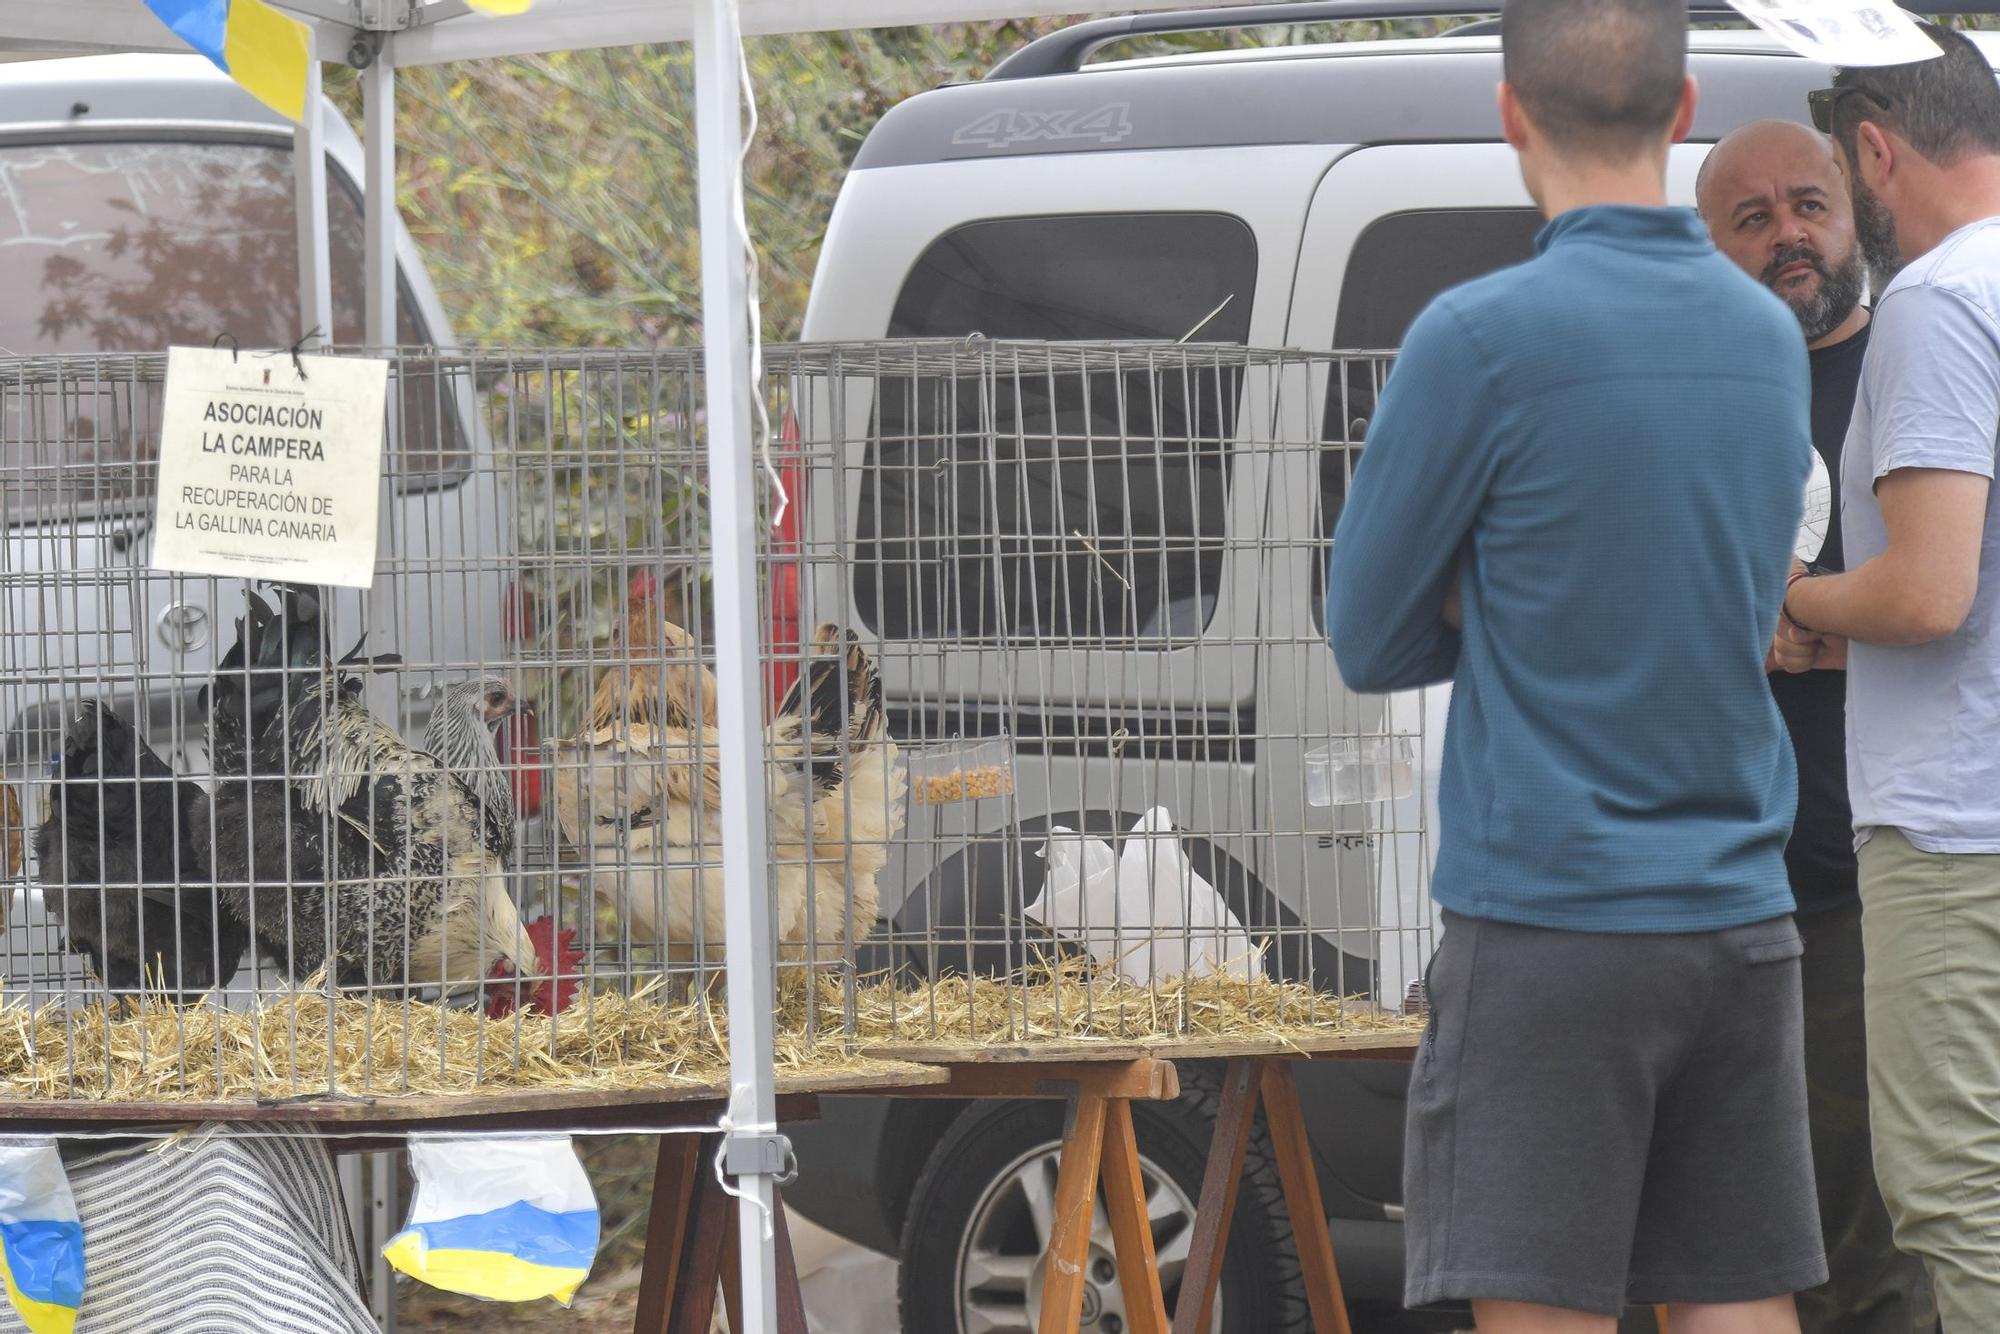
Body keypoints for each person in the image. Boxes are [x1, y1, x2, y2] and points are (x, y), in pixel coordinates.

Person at [1326, 0, 1826, 1329]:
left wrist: (1498, 602)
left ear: (1509, 117)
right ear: (1682, 111)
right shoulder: (1766, 338)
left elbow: (1367, 634)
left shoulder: (1477, 338)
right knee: (1740, 1303)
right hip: (1737, 908)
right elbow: (1707, 582)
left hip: (1551, 917)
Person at [1698, 118, 1936, 1334]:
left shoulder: (1919, 364)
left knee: (1871, 1241)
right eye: (1749, 219)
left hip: (1861, 881)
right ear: (1706, 246)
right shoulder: (1686, 392)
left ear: (1855, 214)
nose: (1786, 234)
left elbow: (1948, 597)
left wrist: (1826, 611)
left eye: (1806, 204)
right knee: (1707, 1247)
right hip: (1696, 887)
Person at [1779, 23, 2000, 1331]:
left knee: (1954, 1192)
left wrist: (1798, 598)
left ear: (1875, 145)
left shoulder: (1936, 300)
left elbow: (1924, 590)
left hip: (1956, 819)